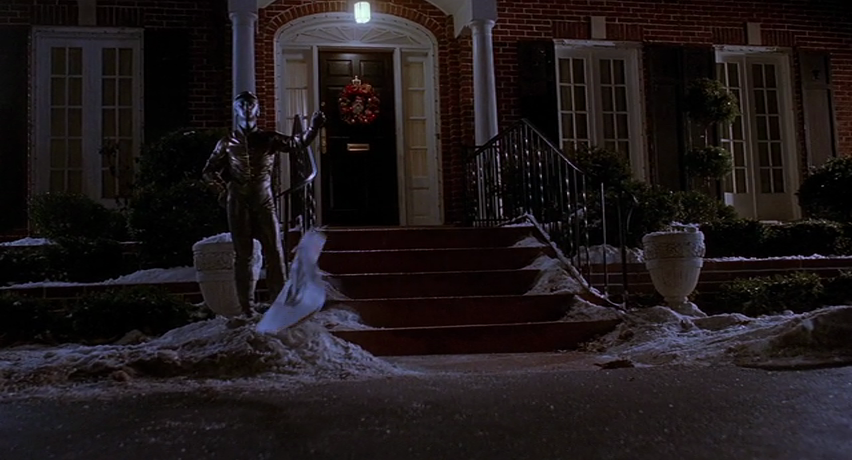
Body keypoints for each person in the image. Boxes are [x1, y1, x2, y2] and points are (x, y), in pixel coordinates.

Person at [202, 91, 325, 315]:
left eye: (250, 104)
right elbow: (209, 171)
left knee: (275, 251)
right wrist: (222, 191)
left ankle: (279, 303)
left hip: (264, 199)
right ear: (235, 110)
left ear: (258, 110)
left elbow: (296, 143)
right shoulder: (227, 142)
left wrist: (314, 127)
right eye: (241, 104)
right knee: (243, 255)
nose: (246, 108)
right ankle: (247, 308)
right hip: (238, 201)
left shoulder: (269, 139)